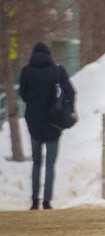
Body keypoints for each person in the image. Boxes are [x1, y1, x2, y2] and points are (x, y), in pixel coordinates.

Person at [18, 42, 75, 210]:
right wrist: (69, 110)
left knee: (36, 162)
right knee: (50, 164)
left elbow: (23, 94)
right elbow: (70, 92)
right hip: (54, 123)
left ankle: (34, 200)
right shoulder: (57, 71)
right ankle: (47, 201)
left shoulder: (26, 71)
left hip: (34, 123)